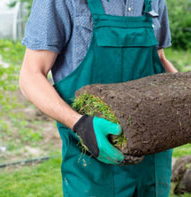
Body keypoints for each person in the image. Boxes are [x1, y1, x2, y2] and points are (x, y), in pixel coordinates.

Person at [19, 0, 178, 196]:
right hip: (92, 167)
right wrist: (80, 124)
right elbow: (30, 75)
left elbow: (159, 58)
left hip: (151, 165)